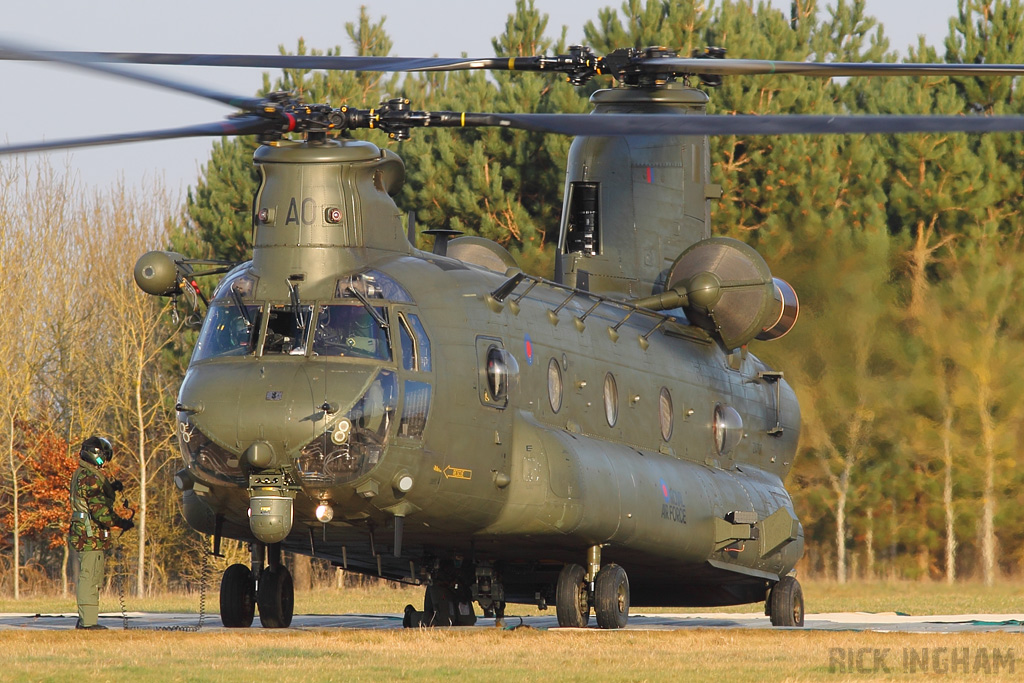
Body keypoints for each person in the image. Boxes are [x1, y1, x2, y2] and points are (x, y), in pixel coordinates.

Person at [68, 436, 134, 630]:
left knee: (91, 576)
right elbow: (100, 512)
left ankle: (85, 619)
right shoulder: (89, 477)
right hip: (90, 535)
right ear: (96, 455)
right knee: (90, 576)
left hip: (87, 533)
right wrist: (121, 523)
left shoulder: (84, 473)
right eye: (104, 457)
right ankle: (88, 623)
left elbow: (93, 497)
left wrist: (110, 488)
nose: (105, 462)